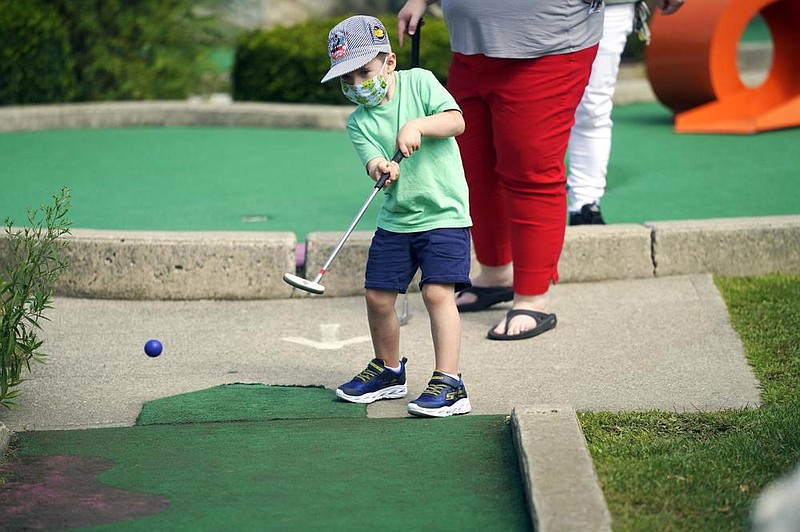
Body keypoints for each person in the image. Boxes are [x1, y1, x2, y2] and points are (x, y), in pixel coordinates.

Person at [398, 1, 602, 340]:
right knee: (471, 167)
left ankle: (532, 297)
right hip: (471, 45)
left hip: (544, 47)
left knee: (529, 169)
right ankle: (495, 275)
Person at [322, 15, 473, 417]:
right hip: (396, 220)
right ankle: (390, 372)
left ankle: (450, 382)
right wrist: (379, 169)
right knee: (377, 296)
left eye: (364, 73)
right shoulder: (359, 122)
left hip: (444, 212)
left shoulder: (420, 82)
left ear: (388, 63)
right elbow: (372, 159)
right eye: (347, 80)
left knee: (437, 293)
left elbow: (456, 121)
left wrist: (418, 125)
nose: (357, 86)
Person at [568, 0, 686, 225]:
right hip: (529, 11)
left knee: (593, 105)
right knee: (524, 109)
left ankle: (585, 205)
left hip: (608, 6)